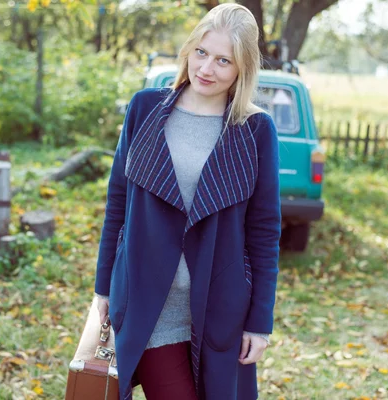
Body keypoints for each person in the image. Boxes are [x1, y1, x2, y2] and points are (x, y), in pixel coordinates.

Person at [94, 3, 281, 399]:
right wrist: (103, 288)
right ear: (188, 50)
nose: (206, 69)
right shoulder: (144, 108)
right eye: (201, 52)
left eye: (223, 61)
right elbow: (118, 203)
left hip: (219, 309)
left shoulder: (255, 130)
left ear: (242, 69)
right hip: (148, 304)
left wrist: (259, 322)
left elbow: (264, 232)